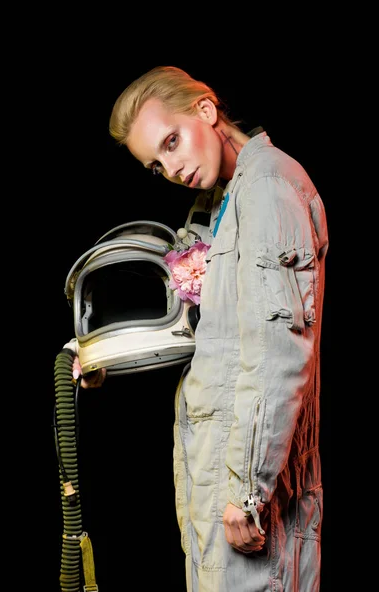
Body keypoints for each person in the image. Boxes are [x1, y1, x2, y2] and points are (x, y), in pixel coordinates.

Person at [70, 66, 328, 591]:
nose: (171, 166)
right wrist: (102, 356)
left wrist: (247, 491)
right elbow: (203, 334)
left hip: (246, 487)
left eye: (172, 141)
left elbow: (278, 347)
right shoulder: (218, 204)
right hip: (214, 478)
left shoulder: (268, 188)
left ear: (205, 112)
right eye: (156, 163)